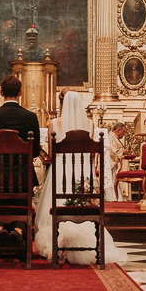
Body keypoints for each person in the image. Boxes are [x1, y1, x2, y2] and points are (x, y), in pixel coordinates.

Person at [33, 90, 127, 264]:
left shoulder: (53, 123)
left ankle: (55, 242)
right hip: (83, 174)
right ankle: (89, 240)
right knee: (83, 196)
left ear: (62, 104)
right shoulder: (90, 125)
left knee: (57, 200)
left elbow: (52, 155)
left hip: (60, 172)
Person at [0, 73, 42, 249]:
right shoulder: (30, 117)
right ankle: (18, 230)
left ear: (0, 92)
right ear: (21, 92)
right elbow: (36, 151)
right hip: (22, 181)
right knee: (23, 207)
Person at [106, 122, 130, 201]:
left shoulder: (114, 137)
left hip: (114, 164)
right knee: (111, 181)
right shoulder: (110, 137)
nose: (124, 134)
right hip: (110, 163)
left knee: (114, 181)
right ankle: (112, 198)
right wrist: (122, 152)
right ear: (119, 130)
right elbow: (110, 150)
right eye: (123, 131)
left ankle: (117, 198)